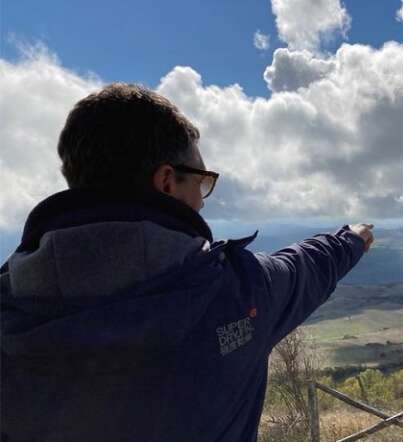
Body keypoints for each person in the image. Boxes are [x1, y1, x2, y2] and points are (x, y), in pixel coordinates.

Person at [0, 83, 374, 441]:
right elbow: (303, 269)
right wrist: (352, 239)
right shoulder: (236, 294)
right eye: (201, 181)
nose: (204, 197)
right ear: (166, 182)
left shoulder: (9, 305)